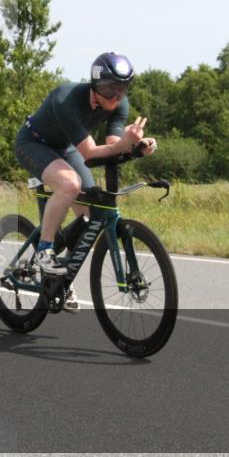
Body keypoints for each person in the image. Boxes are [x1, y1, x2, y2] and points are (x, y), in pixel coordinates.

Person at [14, 52, 156, 312]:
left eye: (122, 89)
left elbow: (112, 146)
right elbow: (90, 153)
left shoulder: (119, 105)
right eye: (109, 89)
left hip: (66, 147)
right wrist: (125, 145)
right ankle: (45, 250)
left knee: (89, 214)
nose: (115, 96)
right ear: (95, 85)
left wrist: (135, 146)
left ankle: (60, 279)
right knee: (69, 184)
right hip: (33, 143)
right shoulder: (66, 98)